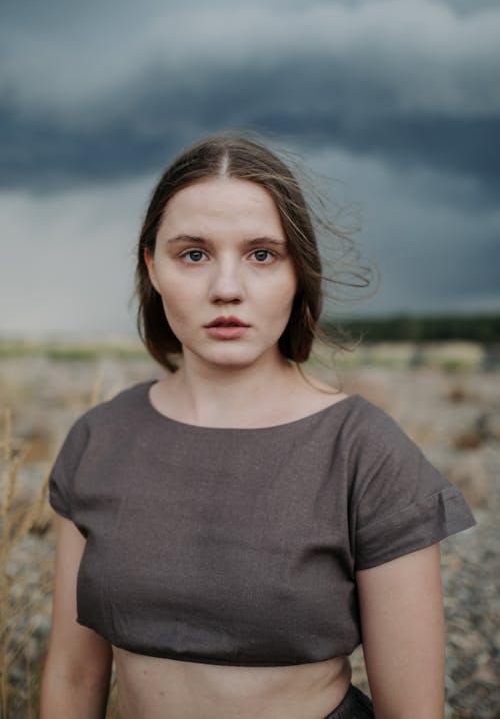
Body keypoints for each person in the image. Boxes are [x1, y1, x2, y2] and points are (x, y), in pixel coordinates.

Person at [40, 134, 475, 719]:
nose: (227, 288)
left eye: (262, 254)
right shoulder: (99, 439)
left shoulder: (365, 452)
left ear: (299, 271)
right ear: (152, 266)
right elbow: (72, 679)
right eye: (193, 254)